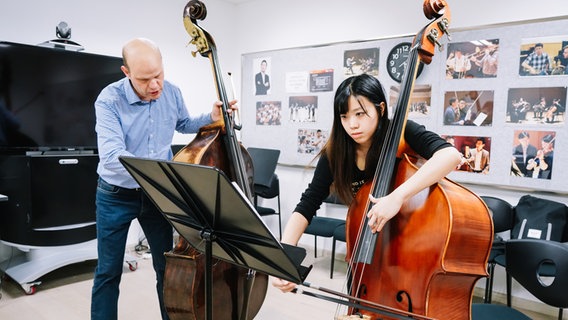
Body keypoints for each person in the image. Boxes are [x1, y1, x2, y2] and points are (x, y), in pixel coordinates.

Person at [271, 74, 461, 293]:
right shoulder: (337, 152)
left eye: (360, 114)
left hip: (409, 246)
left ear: (380, 109)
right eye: (344, 116)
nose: (352, 124)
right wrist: (283, 259)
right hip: (366, 254)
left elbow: (450, 156)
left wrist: (397, 197)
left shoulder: (402, 132)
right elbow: (307, 204)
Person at [91, 38, 235, 320]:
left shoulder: (171, 93)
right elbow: (111, 156)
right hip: (115, 195)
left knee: (168, 268)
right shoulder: (109, 100)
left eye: (159, 75)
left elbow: (183, 124)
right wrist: (162, 173)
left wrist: (211, 116)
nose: (155, 85)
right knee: (108, 271)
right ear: (126, 72)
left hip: (157, 193)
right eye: (145, 79)